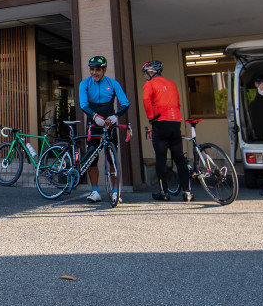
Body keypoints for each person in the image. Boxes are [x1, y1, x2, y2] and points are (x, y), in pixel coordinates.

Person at [77, 55, 131, 204]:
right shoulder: (85, 84)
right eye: (92, 69)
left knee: (111, 159)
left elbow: (125, 103)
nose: (94, 72)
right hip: (93, 123)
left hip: (109, 123)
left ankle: (115, 192)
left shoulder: (113, 84)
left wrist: (115, 116)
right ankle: (95, 191)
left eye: (97, 70)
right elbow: (83, 104)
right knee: (92, 159)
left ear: (104, 69)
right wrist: (94, 116)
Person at [141, 60, 189, 202]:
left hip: (160, 122)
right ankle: (187, 192)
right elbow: (178, 103)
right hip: (175, 122)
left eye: (145, 73)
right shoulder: (172, 84)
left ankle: (164, 192)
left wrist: (151, 117)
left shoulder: (149, 84)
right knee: (179, 159)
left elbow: (145, 99)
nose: (145, 76)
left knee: (161, 158)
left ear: (151, 72)